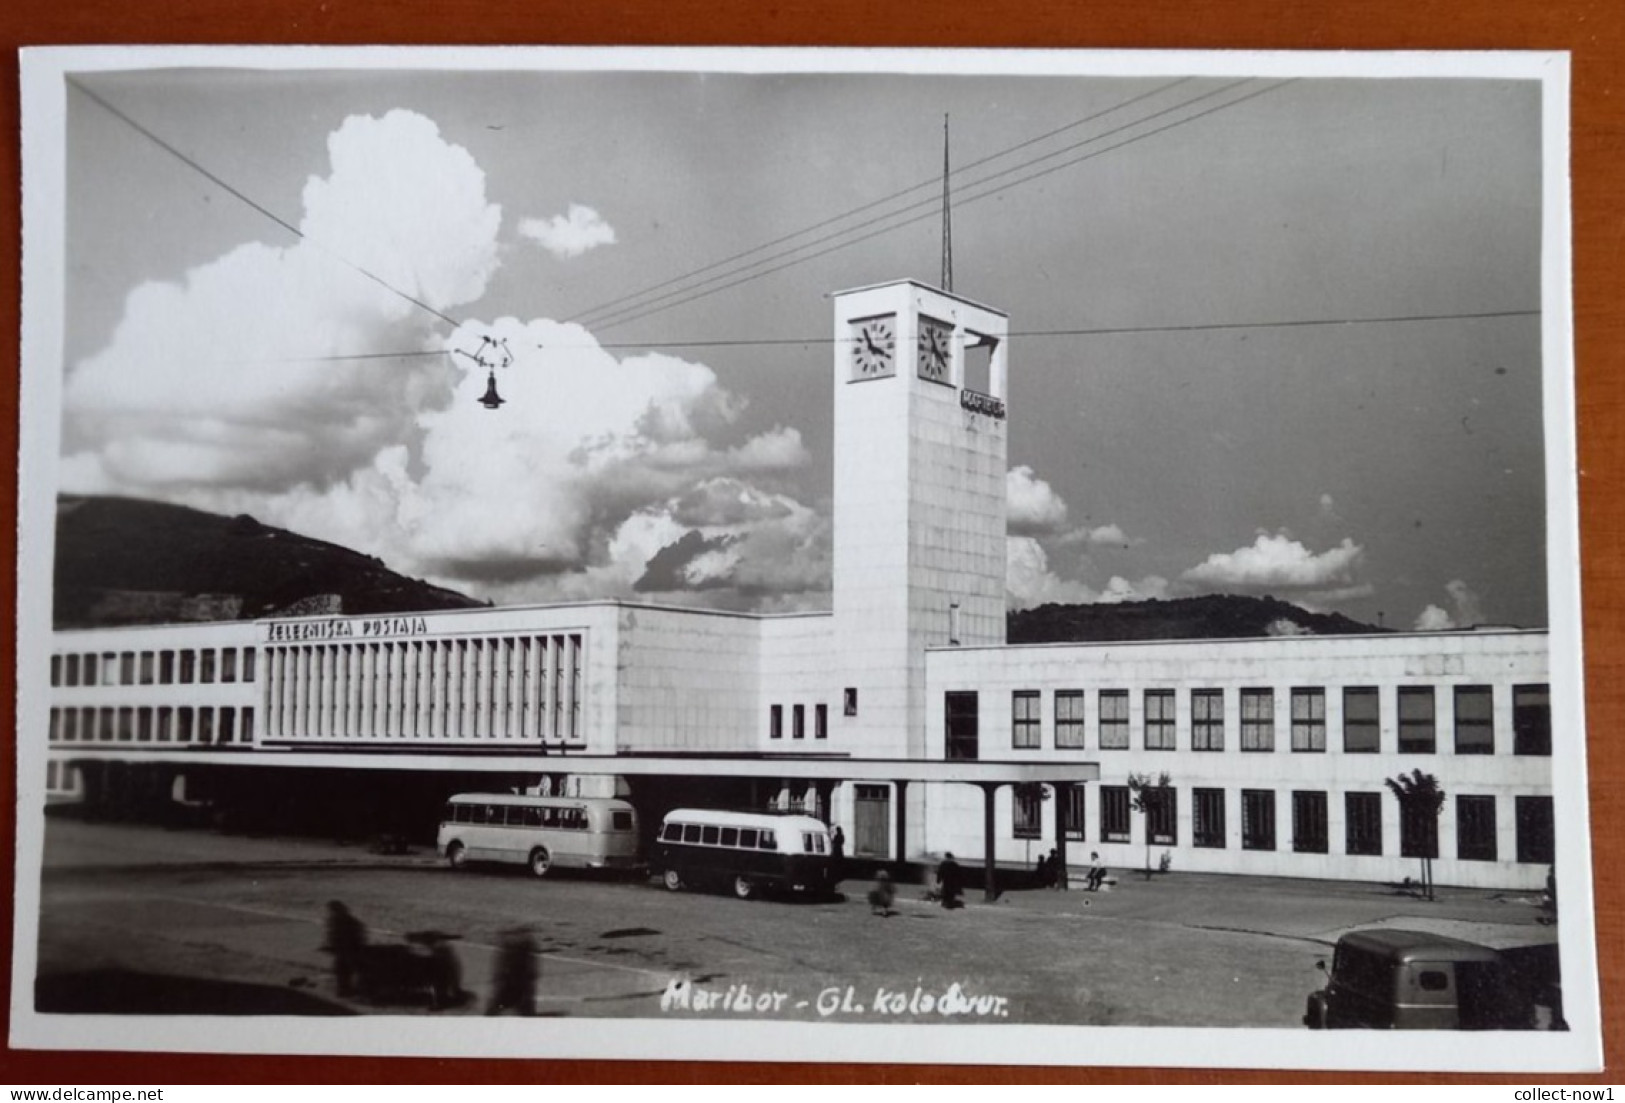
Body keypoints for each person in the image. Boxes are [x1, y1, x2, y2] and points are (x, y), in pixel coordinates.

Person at [487, 926, 539, 1016]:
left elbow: (502, 965)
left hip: (512, 982)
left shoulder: (511, 949)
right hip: (518, 982)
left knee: (497, 1005)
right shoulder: (526, 948)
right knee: (524, 1006)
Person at [321, 901, 367, 997]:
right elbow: (361, 934)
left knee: (342, 969)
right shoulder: (351, 920)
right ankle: (346, 989)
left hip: (345, 948)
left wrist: (330, 945)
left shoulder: (335, 920)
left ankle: (344, 990)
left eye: (331, 910)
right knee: (347, 969)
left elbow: (332, 935)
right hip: (351, 948)